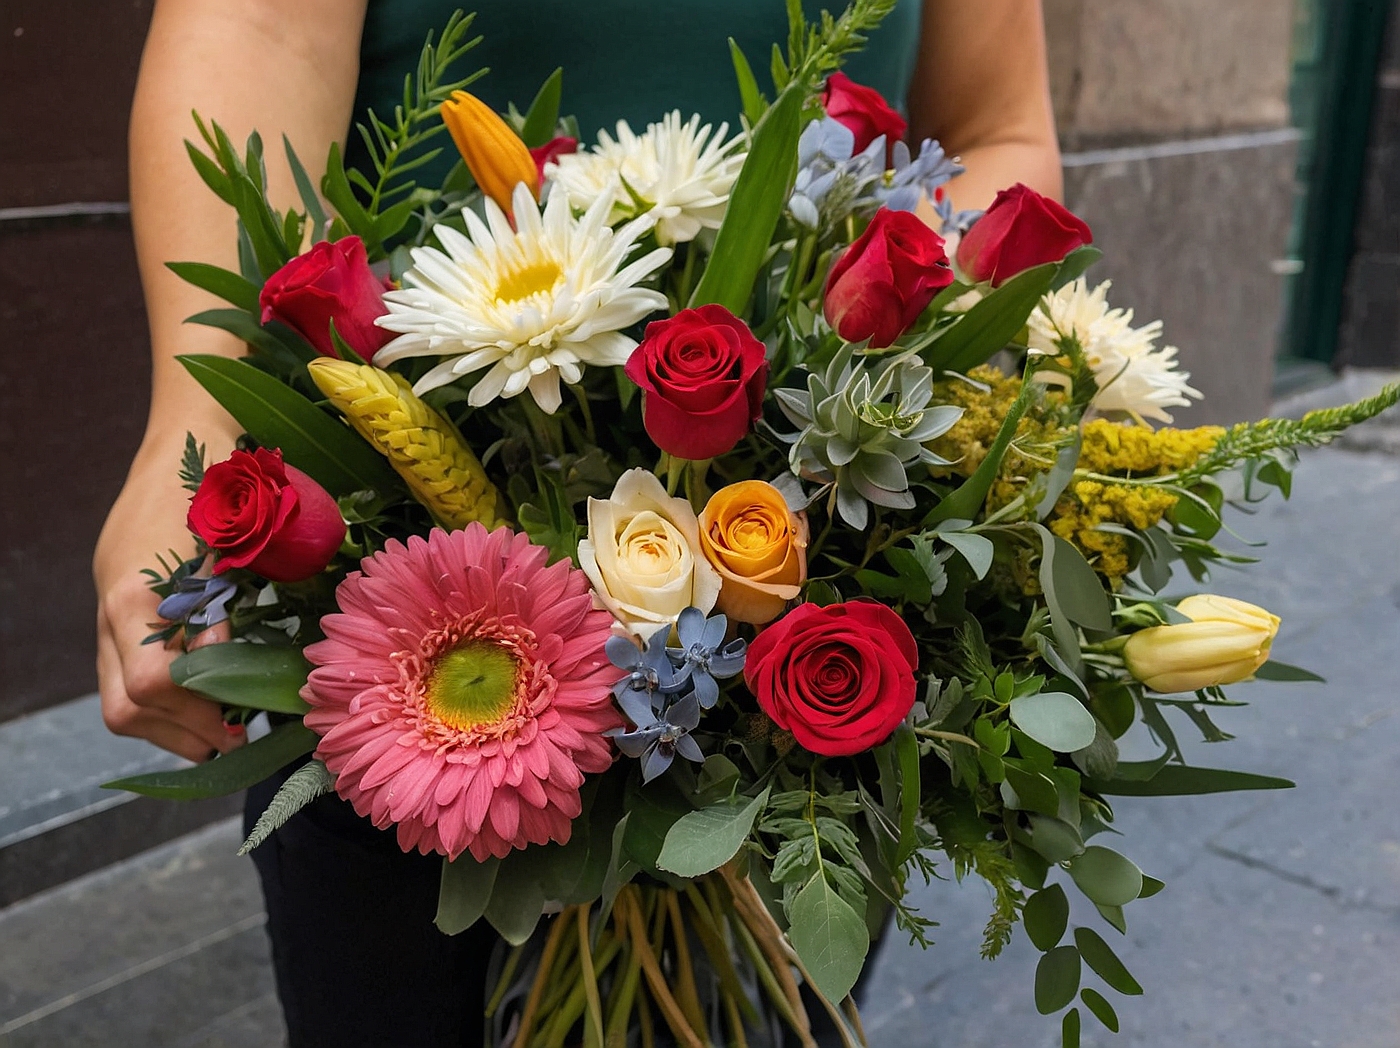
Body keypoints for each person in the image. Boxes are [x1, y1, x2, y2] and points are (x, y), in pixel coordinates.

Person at [95, 1, 1062, 1044]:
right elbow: (259, 30)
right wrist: (195, 426)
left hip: (828, 538)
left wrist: (880, 320)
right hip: (390, 528)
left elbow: (996, 127)